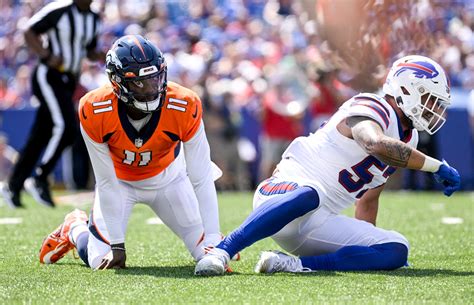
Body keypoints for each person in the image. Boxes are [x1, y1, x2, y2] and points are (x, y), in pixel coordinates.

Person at [195, 55, 461, 276]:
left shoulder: (409, 137)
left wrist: (371, 246)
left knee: (396, 247)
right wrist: (435, 166)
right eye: (428, 99)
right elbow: (374, 143)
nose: (433, 109)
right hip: (283, 195)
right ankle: (222, 250)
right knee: (311, 193)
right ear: (406, 90)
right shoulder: (372, 105)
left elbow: (368, 201)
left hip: (318, 221)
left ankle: (292, 265)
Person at [38, 35, 228, 270]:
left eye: (155, 78)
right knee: (102, 261)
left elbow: (201, 177)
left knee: (209, 254)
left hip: (169, 179)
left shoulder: (184, 103)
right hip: (119, 184)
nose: (151, 88)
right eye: (139, 82)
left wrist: (213, 241)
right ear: (117, 82)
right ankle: (75, 228)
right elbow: (106, 181)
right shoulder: (95, 108)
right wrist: (117, 245)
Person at [0, 0, 103, 208]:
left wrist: (102, 54)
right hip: (49, 75)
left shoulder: (93, 18)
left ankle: (13, 186)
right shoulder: (60, 10)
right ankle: (40, 177)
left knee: (40, 136)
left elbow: (89, 50)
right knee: (67, 127)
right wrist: (46, 55)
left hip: (69, 80)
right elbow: (29, 31)